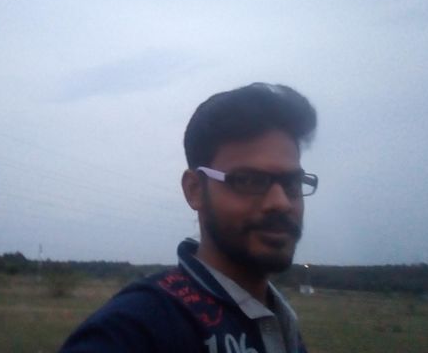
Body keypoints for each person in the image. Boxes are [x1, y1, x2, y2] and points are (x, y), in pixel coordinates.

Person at [59, 82, 318, 353]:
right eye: (249, 180)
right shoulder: (137, 327)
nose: (281, 203)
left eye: (292, 183)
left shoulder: (281, 323)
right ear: (195, 190)